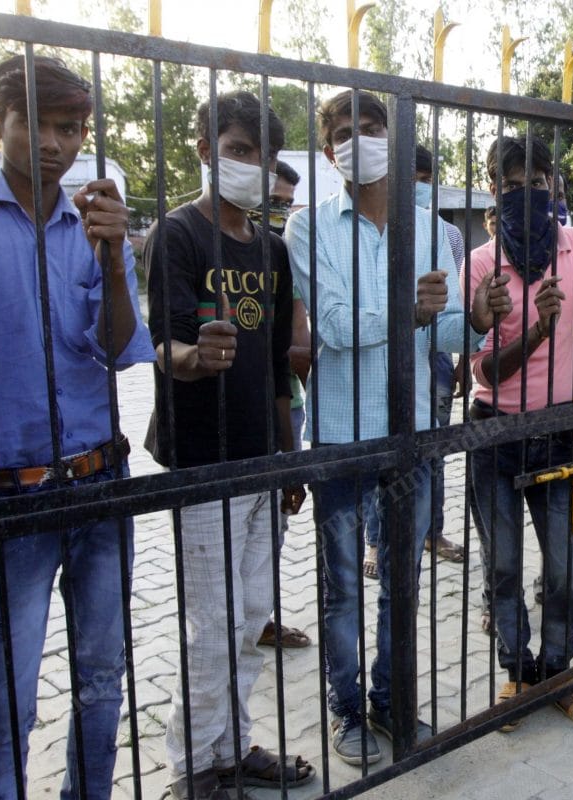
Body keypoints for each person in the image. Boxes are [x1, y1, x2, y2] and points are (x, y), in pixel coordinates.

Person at [0, 54, 155, 800]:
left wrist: (117, 260)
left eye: (73, 128)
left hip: (102, 484)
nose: (60, 144)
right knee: (7, 704)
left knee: (102, 682)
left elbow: (121, 348)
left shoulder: (90, 222)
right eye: (43, 124)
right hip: (13, 498)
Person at [283, 89, 510, 766]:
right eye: (344, 133)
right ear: (329, 152)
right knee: (344, 583)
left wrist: (474, 315)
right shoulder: (309, 227)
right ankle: (347, 708)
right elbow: (331, 324)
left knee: (401, 581)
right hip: (340, 430)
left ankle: (391, 697)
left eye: (372, 128)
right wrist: (409, 313)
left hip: (411, 432)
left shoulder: (432, 227)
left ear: (392, 136)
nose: (360, 140)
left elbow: (436, 333)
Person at [145, 91, 312, 799]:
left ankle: (232, 745)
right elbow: (164, 343)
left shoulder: (271, 248)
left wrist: (287, 457)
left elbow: (278, 365)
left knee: (249, 618)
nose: (250, 166)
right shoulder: (178, 235)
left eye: (261, 155)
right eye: (239, 150)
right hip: (203, 459)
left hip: (259, 456)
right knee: (210, 623)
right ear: (206, 149)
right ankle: (194, 768)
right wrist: (193, 357)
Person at [466, 135, 573, 728]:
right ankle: (517, 672)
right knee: (502, 565)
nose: (527, 194)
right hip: (494, 431)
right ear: (495, 191)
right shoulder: (481, 263)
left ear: (556, 187)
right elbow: (487, 371)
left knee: (566, 568)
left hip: (558, 431)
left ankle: (556, 670)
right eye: (513, 184)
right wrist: (536, 331)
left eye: (537, 183)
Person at [361, 145, 466, 581]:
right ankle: (373, 537)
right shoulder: (367, 230)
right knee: (378, 451)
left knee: (430, 450)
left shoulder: (447, 234)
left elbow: (452, 307)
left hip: (431, 356)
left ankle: (430, 530)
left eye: (425, 178)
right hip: (373, 357)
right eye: (410, 177)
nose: (418, 186)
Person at [254, 159, 313, 650]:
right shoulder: (197, 237)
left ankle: (260, 616)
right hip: (227, 414)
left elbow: (297, 344)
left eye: (285, 204)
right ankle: (237, 620)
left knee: (273, 522)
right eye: (271, 201)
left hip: (285, 407)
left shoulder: (282, 256)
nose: (278, 211)